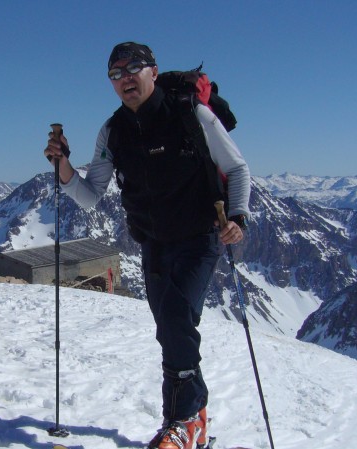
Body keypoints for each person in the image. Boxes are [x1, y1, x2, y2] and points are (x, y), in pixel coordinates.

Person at [44, 42, 251, 449]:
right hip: (153, 242)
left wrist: (238, 218)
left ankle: (182, 422)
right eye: (115, 73)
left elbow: (236, 167)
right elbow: (90, 195)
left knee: (175, 318)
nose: (124, 78)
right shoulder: (113, 131)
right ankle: (194, 420)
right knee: (171, 329)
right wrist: (64, 166)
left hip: (199, 237)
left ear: (153, 72)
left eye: (132, 68)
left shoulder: (191, 114)